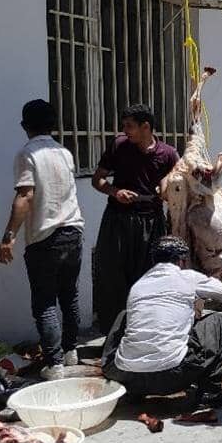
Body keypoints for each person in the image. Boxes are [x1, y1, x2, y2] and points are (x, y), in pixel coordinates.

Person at [0, 100, 85, 381]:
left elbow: (25, 196)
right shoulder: (64, 153)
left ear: (25, 126)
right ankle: (71, 351)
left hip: (45, 238)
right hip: (73, 231)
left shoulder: (28, 154)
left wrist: (8, 236)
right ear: (53, 124)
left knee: (45, 302)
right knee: (69, 295)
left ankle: (55, 363)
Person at [101, 236, 222, 406]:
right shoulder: (188, 277)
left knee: (124, 315)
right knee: (218, 321)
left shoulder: (138, 286)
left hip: (126, 376)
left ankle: (131, 391)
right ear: (181, 261)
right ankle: (210, 391)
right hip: (172, 376)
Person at [91, 104, 179, 333]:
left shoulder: (168, 154)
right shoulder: (119, 146)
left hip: (151, 222)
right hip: (118, 220)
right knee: (112, 275)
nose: (124, 130)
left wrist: (166, 187)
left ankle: (147, 329)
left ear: (146, 127)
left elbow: (178, 184)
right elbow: (98, 180)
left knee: (150, 276)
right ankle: (114, 331)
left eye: (129, 126)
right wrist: (115, 192)